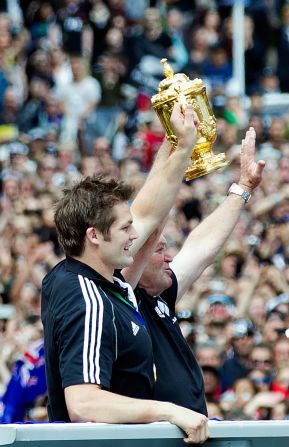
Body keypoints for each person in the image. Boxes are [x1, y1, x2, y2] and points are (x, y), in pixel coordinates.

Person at [40, 101, 209, 444]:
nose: (136, 235)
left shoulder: (96, 276)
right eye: (125, 229)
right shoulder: (85, 296)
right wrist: (167, 411)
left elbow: (148, 208)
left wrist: (178, 144)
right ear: (95, 236)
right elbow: (84, 403)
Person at [124, 128, 265, 415]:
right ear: (134, 252)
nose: (170, 257)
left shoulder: (160, 296)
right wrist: (175, 145)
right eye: (159, 249)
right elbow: (145, 220)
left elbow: (200, 249)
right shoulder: (121, 294)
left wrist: (242, 189)